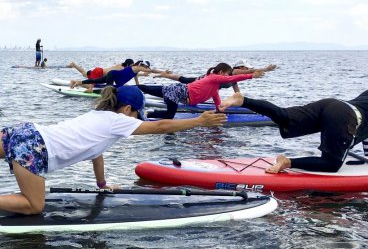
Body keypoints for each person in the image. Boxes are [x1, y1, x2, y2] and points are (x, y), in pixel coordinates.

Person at [0, 85, 227, 214]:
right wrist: (198, 122)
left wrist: (101, 183)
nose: (139, 120)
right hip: (36, 149)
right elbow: (162, 127)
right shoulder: (119, 120)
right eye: (139, 114)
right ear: (129, 110)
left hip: (26, 132)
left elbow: (96, 151)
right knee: (34, 206)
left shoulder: (100, 119)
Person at [219, 90, 368, 173]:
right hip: (345, 117)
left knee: (284, 116)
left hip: (333, 104)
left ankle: (242, 100)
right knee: (331, 164)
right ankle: (287, 162)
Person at [140, 63, 264, 119]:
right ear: (221, 73)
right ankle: (147, 114)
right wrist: (251, 75)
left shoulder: (215, 88)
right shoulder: (213, 77)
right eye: (226, 74)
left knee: (147, 89)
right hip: (178, 92)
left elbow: (217, 101)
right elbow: (234, 77)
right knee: (169, 115)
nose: (228, 78)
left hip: (177, 92)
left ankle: (144, 107)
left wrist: (219, 110)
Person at [155, 60, 277, 93]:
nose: (247, 70)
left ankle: (166, 75)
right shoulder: (234, 72)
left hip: (207, 86)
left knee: (184, 79)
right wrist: (265, 69)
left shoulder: (233, 78)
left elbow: (237, 91)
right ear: (240, 68)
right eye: (245, 68)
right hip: (202, 81)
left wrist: (242, 102)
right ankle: (165, 76)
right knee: (184, 80)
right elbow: (252, 71)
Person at [70, 59, 153, 92]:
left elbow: (130, 74)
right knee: (93, 86)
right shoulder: (122, 68)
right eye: (131, 64)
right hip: (100, 73)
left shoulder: (121, 66)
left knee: (86, 75)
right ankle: (89, 89)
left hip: (100, 71)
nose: (132, 66)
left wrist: (142, 77)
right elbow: (123, 75)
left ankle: (76, 80)